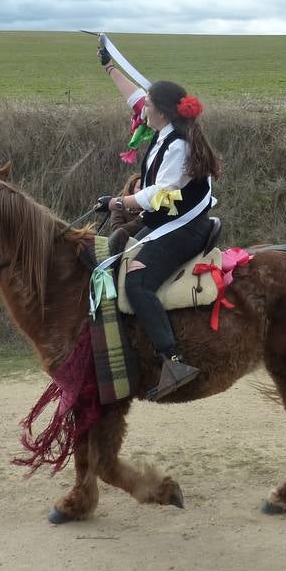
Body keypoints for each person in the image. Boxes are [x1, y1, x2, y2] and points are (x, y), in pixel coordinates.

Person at [99, 47, 221, 399]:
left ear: (162, 112)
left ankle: (174, 361)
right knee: (116, 249)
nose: (143, 109)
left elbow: (160, 194)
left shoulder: (178, 146)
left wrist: (118, 202)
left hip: (184, 228)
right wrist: (109, 67)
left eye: (149, 105)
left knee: (138, 283)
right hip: (169, 223)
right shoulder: (164, 129)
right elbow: (135, 99)